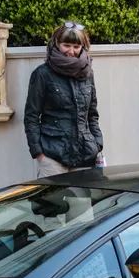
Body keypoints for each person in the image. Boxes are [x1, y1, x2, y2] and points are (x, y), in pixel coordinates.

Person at [24, 21, 104, 178]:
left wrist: (97, 144)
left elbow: (92, 114)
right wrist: (39, 154)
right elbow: (31, 117)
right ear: (57, 43)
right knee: (51, 202)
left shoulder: (88, 73)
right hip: (53, 156)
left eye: (76, 46)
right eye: (66, 45)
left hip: (84, 155)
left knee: (82, 203)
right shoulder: (42, 74)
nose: (71, 51)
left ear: (83, 47)